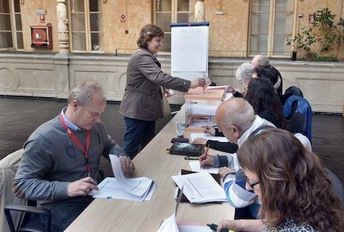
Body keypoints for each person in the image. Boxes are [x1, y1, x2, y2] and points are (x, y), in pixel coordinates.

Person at [13, 81, 135, 232]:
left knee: (129, 216)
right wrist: (67, 188)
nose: (98, 120)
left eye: (100, 114)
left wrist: (121, 156)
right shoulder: (43, 139)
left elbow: (109, 145)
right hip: (60, 205)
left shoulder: (95, 126)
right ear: (75, 105)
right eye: (94, 114)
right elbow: (21, 185)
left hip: (95, 192)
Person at [199, 98, 311, 219]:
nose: (221, 132)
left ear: (234, 130)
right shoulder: (264, 128)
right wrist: (217, 160)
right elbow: (239, 159)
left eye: (221, 129)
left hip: (266, 215)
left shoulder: (255, 150)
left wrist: (228, 176)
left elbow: (237, 199)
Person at [217, 128, 344, 232]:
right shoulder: (307, 205)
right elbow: (276, 225)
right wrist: (240, 225)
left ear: (276, 184)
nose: (247, 187)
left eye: (252, 182)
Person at [119, 24, 206, 159]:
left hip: (143, 109)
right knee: (130, 149)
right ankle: (121, 177)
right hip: (136, 110)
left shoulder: (146, 55)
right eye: (157, 41)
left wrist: (162, 87)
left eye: (161, 41)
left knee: (147, 147)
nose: (160, 44)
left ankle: (141, 174)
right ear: (147, 40)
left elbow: (150, 78)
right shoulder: (142, 56)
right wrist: (189, 84)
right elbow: (158, 76)